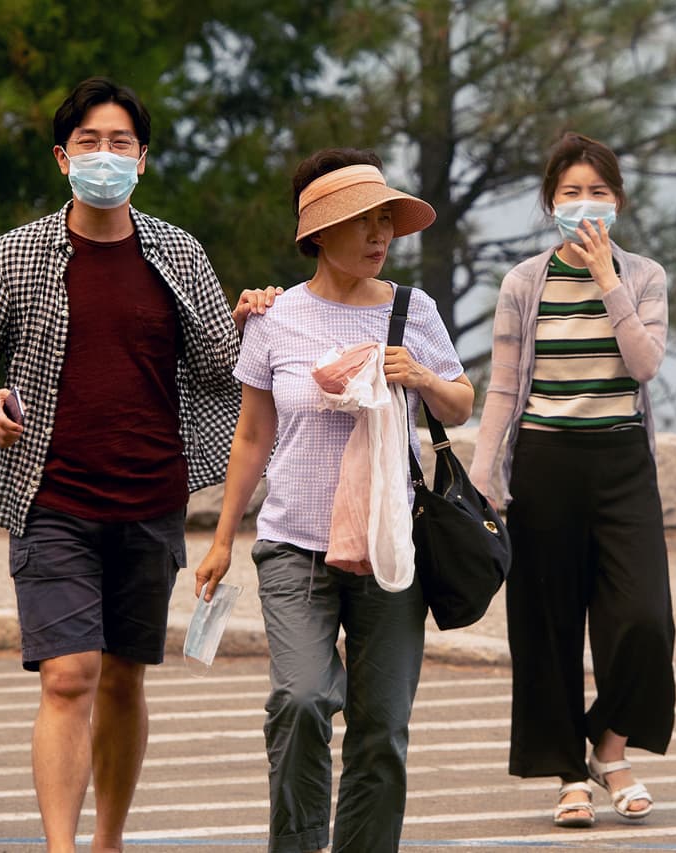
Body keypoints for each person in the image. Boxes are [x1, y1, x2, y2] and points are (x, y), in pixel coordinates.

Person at [0, 77, 277, 852]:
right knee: (68, 675)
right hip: (51, 496)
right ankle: (64, 847)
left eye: (119, 142)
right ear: (63, 158)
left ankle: (108, 841)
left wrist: (247, 311)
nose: (104, 155)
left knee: (125, 678)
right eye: (89, 142)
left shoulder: (178, 251)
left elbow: (219, 367)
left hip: (151, 498)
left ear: (143, 160)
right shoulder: (17, 252)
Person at [194, 148, 473, 853]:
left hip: (388, 545)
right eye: (362, 223)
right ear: (317, 233)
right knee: (302, 698)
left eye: (386, 222)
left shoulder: (414, 311)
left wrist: (426, 381)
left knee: (382, 729)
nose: (380, 237)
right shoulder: (273, 317)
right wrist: (224, 538)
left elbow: (462, 401)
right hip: (293, 544)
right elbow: (253, 435)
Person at [469, 132, 676, 828]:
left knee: (646, 620)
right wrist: (482, 473)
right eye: (570, 193)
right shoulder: (524, 283)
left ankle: (609, 745)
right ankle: (570, 773)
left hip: (622, 463)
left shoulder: (644, 276)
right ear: (549, 201)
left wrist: (608, 282)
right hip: (544, 461)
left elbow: (645, 365)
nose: (584, 204)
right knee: (547, 627)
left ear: (618, 200)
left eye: (598, 192)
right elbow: (502, 390)